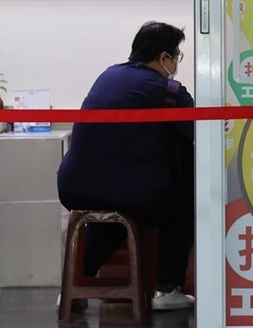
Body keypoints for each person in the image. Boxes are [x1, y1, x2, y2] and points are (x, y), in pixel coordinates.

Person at [57, 21, 195, 311]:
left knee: (113, 211)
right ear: (163, 58)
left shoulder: (108, 76)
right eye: (176, 56)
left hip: (73, 188)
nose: (176, 63)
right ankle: (166, 289)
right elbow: (196, 132)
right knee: (183, 203)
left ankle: (75, 286)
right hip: (128, 192)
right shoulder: (168, 90)